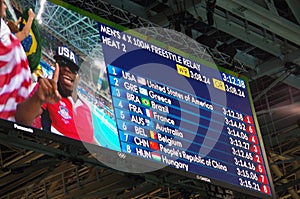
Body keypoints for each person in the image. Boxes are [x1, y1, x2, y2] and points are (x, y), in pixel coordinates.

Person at [16, 46, 96, 144]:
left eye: (72, 68)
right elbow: (21, 121)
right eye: (62, 64)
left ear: (77, 77)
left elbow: (90, 140)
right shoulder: (47, 92)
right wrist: (38, 99)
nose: (66, 69)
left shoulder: (85, 108)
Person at [0, 0, 32, 121]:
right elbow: (24, 33)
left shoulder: (5, 30)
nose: (4, 5)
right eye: (2, 2)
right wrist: (31, 18)